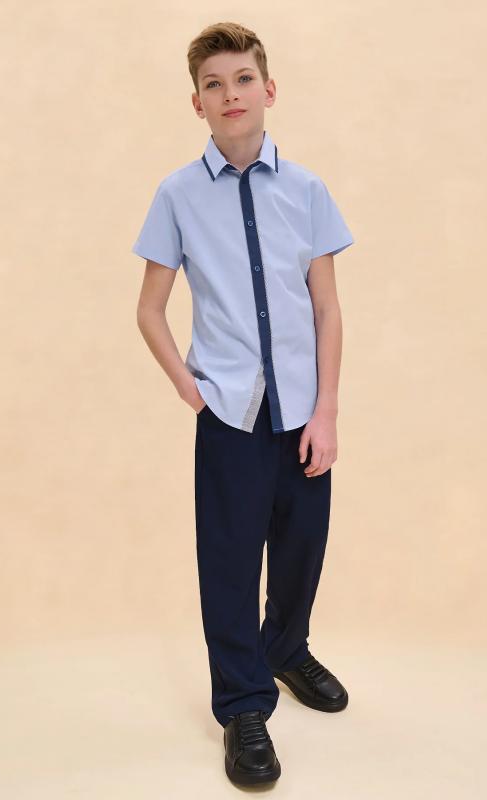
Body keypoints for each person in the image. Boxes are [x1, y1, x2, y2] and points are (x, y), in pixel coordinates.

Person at [132, 21, 354, 786]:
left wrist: (326, 409)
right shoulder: (177, 195)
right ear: (196, 103)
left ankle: (285, 648)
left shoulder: (306, 190)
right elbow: (149, 309)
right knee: (228, 560)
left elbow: (325, 308)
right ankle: (242, 705)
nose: (230, 94)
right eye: (213, 84)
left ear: (268, 89)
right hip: (229, 410)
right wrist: (187, 386)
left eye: (242, 79)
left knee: (300, 545)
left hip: (302, 409)